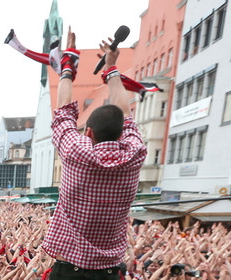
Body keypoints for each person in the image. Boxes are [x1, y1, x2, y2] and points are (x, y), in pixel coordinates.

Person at [42, 26, 147, 280]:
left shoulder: (78, 152)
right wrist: (111, 68)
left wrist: (68, 64)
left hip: (69, 273)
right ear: (122, 132)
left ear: (87, 133)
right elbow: (126, 112)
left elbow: (63, 112)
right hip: (109, 274)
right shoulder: (134, 154)